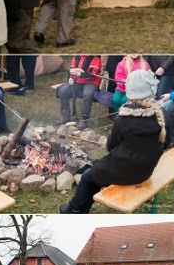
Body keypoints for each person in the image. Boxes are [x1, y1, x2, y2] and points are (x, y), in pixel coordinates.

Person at [59, 70, 166, 214]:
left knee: (88, 177)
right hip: (146, 170)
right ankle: (81, 208)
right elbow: (165, 142)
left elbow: (111, 146)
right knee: (96, 170)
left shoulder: (124, 118)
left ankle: (75, 209)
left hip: (126, 171)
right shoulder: (160, 114)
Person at [55, 54, 103, 126]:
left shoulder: (95, 58)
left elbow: (92, 75)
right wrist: (70, 79)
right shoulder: (76, 57)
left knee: (87, 94)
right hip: (78, 81)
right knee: (63, 91)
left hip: (91, 82)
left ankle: (83, 118)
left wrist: (80, 74)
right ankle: (65, 116)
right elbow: (71, 70)